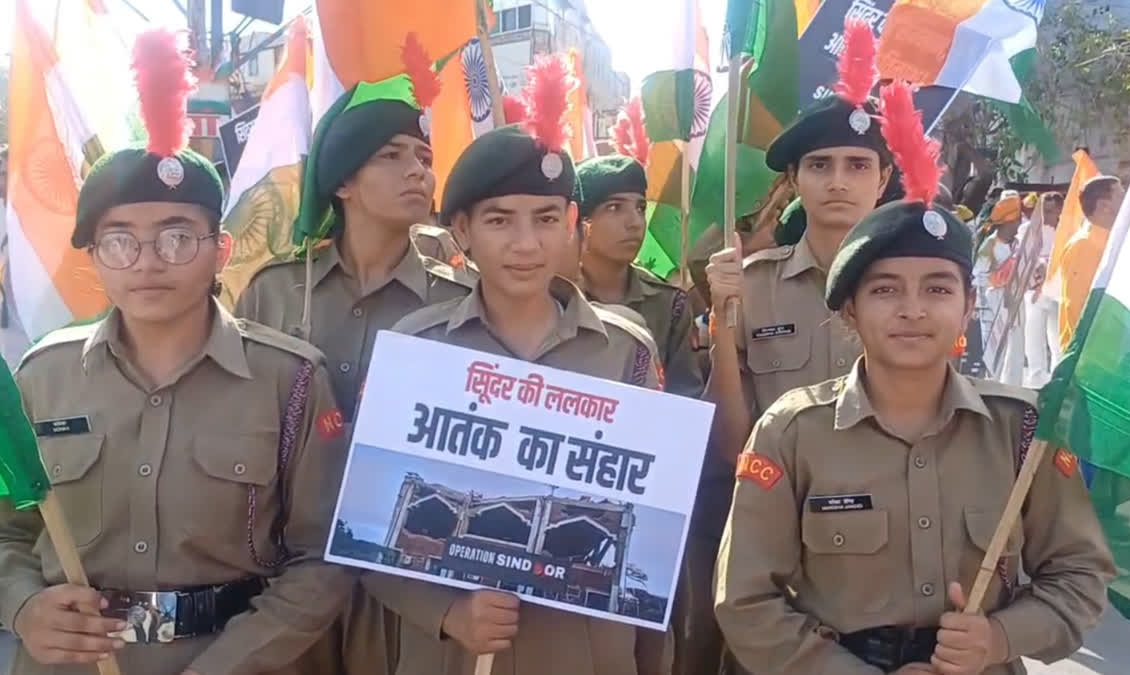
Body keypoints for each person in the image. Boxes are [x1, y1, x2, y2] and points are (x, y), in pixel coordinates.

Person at [713, 80, 1115, 675]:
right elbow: (745, 600)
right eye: (884, 291)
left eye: (937, 288)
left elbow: (1080, 575)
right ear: (848, 311)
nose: (913, 309)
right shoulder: (790, 430)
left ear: (968, 305)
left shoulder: (1019, 431)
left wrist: (998, 638)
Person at [0, 30, 350, 674]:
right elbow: (7, 531)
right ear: (94, 260)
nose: (149, 262)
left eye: (177, 237)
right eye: (120, 241)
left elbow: (322, 558)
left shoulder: (291, 380)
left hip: (237, 660)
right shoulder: (42, 377)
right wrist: (21, 607)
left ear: (220, 250)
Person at [361, 55, 672, 675]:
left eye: (546, 219)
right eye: (500, 221)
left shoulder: (628, 350)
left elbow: (653, 532)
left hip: (586, 651)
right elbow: (367, 522)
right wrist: (446, 614)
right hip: (457, 652)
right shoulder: (415, 349)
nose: (526, 244)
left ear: (571, 227)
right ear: (461, 231)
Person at [235, 73, 474, 674]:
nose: (417, 170)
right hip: (285, 573)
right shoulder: (274, 293)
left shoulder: (464, 303)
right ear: (342, 180)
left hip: (406, 573)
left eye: (423, 156)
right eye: (391, 156)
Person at [706, 18, 894, 465]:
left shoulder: (913, 283)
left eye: (858, 166)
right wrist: (720, 318)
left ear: (883, 179)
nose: (838, 182)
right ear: (793, 178)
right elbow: (729, 442)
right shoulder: (752, 286)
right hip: (780, 502)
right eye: (820, 165)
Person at [575, 155, 703, 397]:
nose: (634, 222)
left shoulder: (668, 304)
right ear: (581, 220)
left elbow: (684, 398)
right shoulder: (551, 295)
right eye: (614, 208)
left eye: (640, 208)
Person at [1059, 175, 1124, 348]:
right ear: (1104, 206)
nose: (1127, 201)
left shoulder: (1113, 241)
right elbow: (1077, 306)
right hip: (1092, 353)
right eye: (1121, 196)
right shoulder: (1083, 245)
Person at [972, 190, 1024, 385]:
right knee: (995, 352)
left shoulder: (1017, 244)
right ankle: (993, 389)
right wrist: (999, 279)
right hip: (993, 305)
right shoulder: (989, 246)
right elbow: (977, 278)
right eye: (1017, 220)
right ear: (1007, 223)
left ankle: (1014, 388)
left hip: (1016, 301)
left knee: (1016, 347)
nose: (1020, 224)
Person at [1022, 193, 1064, 388]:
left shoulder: (1067, 230)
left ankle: (1058, 376)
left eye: (1049, 211)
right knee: (1034, 334)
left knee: (1056, 337)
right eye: (1042, 210)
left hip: (1058, 290)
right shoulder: (1027, 229)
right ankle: (1036, 376)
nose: (1045, 215)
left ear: (1059, 210)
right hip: (1034, 290)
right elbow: (1024, 257)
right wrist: (1040, 265)